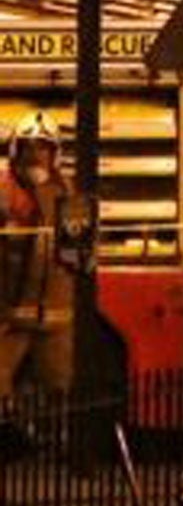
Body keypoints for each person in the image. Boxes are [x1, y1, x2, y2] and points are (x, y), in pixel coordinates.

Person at [0, 113, 77, 401]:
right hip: (9, 319)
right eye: (28, 146)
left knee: (61, 392)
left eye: (43, 147)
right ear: (15, 150)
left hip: (56, 320)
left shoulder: (68, 193)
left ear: (55, 153)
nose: (35, 155)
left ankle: (56, 444)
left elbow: (80, 256)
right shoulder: (2, 192)